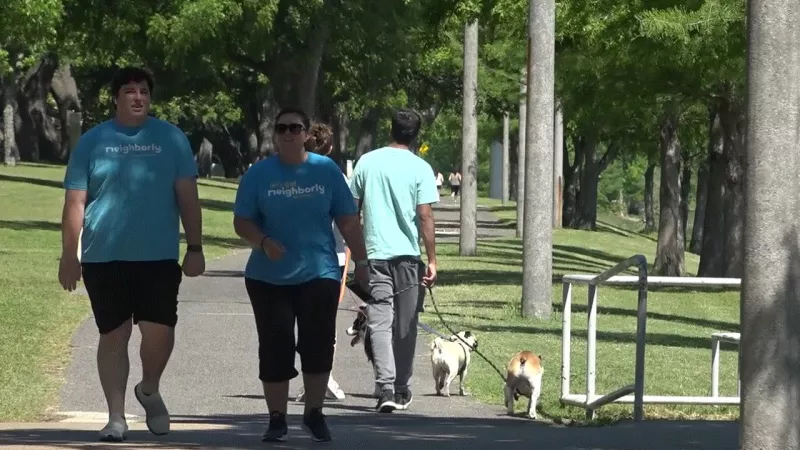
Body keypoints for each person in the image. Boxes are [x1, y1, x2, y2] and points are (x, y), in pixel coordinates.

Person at [58, 67, 205, 442]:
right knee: (114, 334)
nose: (137, 96)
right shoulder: (93, 141)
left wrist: (195, 246)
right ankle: (116, 416)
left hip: (157, 255)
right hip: (103, 256)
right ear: (116, 97)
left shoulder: (171, 139)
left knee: (160, 331)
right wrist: (68, 255)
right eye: (129, 91)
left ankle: (150, 388)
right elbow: (76, 200)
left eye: (143, 91)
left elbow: (188, 197)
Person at [233, 107, 369, 443]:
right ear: (276, 134)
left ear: (307, 133)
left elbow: (348, 221)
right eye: (282, 129)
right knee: (275, 346)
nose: (289, 134)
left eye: (296, 128)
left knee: (317, 343)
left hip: (318, 272)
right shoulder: (259, 174)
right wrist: (262, 242)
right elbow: (242, 221)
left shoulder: (325, 171)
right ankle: (277, 418)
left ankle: (314, 412)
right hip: (268, 277)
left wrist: (363, 263)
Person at [349, 108, 439, 413]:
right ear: (417, 135)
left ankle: (384, 388)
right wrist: (432, 259)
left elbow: (353, 212)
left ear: (391, 130)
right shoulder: (421, 168)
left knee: (380, 322)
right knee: (406, 325)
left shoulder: (367, 162)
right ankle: (401, 388)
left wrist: (357, 257)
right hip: (408, 259)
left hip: (374, 256)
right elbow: (425, 215)